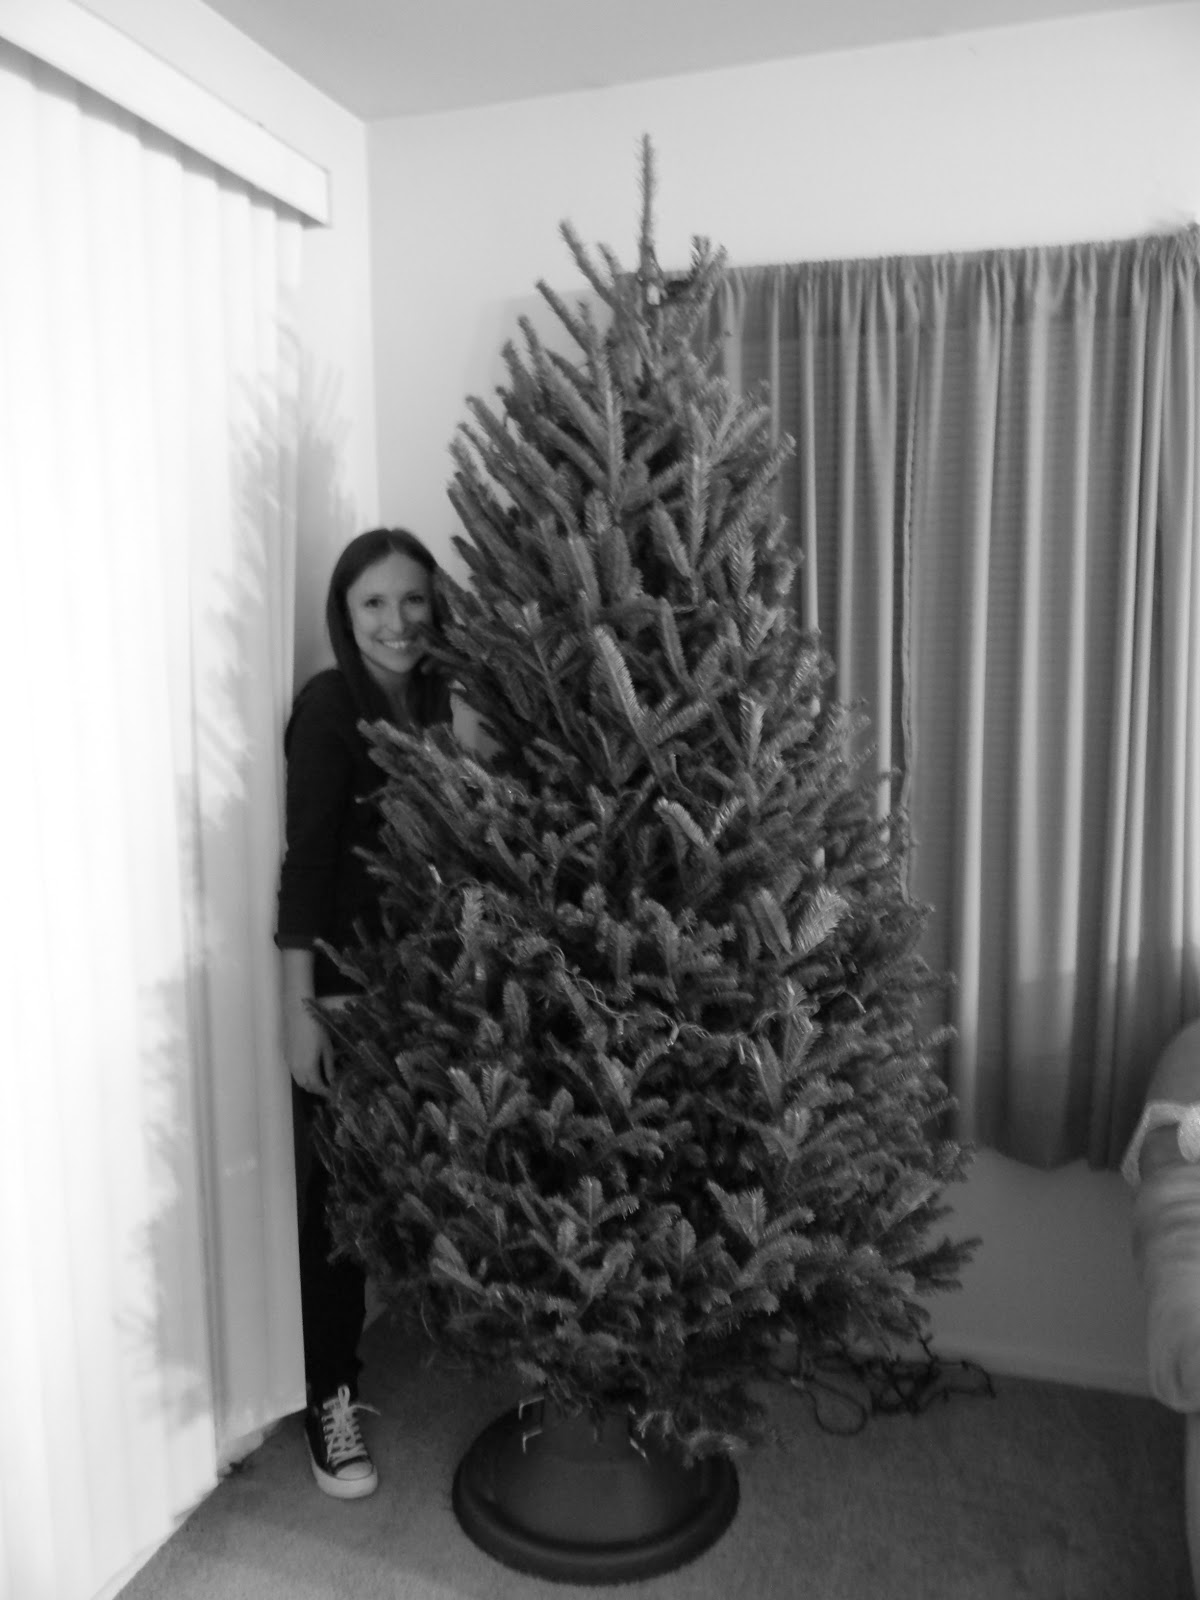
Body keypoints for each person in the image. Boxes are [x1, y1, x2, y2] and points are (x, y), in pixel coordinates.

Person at [275, 527, 452, 1498]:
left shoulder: (435, 703)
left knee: (414, 1185)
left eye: (412, 598)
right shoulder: (329, 706)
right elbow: (304, 869)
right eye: (374, 603)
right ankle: (329, 1404)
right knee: (339, 1209)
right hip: (345, 998)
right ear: (345, 615)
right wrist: (301, 1010)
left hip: (426, 992)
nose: (397, 621)